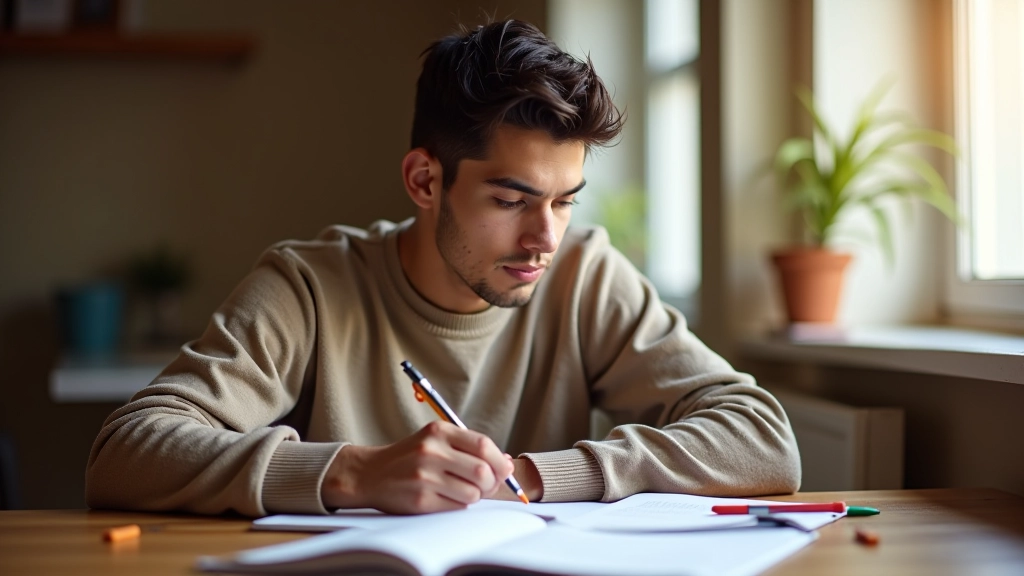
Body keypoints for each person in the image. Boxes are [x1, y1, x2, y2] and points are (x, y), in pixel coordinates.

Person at [85, 20, 800, 517]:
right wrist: (353, 472)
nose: (543, 238)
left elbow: (762, 439)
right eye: (511, 199)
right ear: (425, 181)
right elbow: (124, 453)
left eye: (564, 202)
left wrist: (534, 477)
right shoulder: (309, 286)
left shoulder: (584, 274)